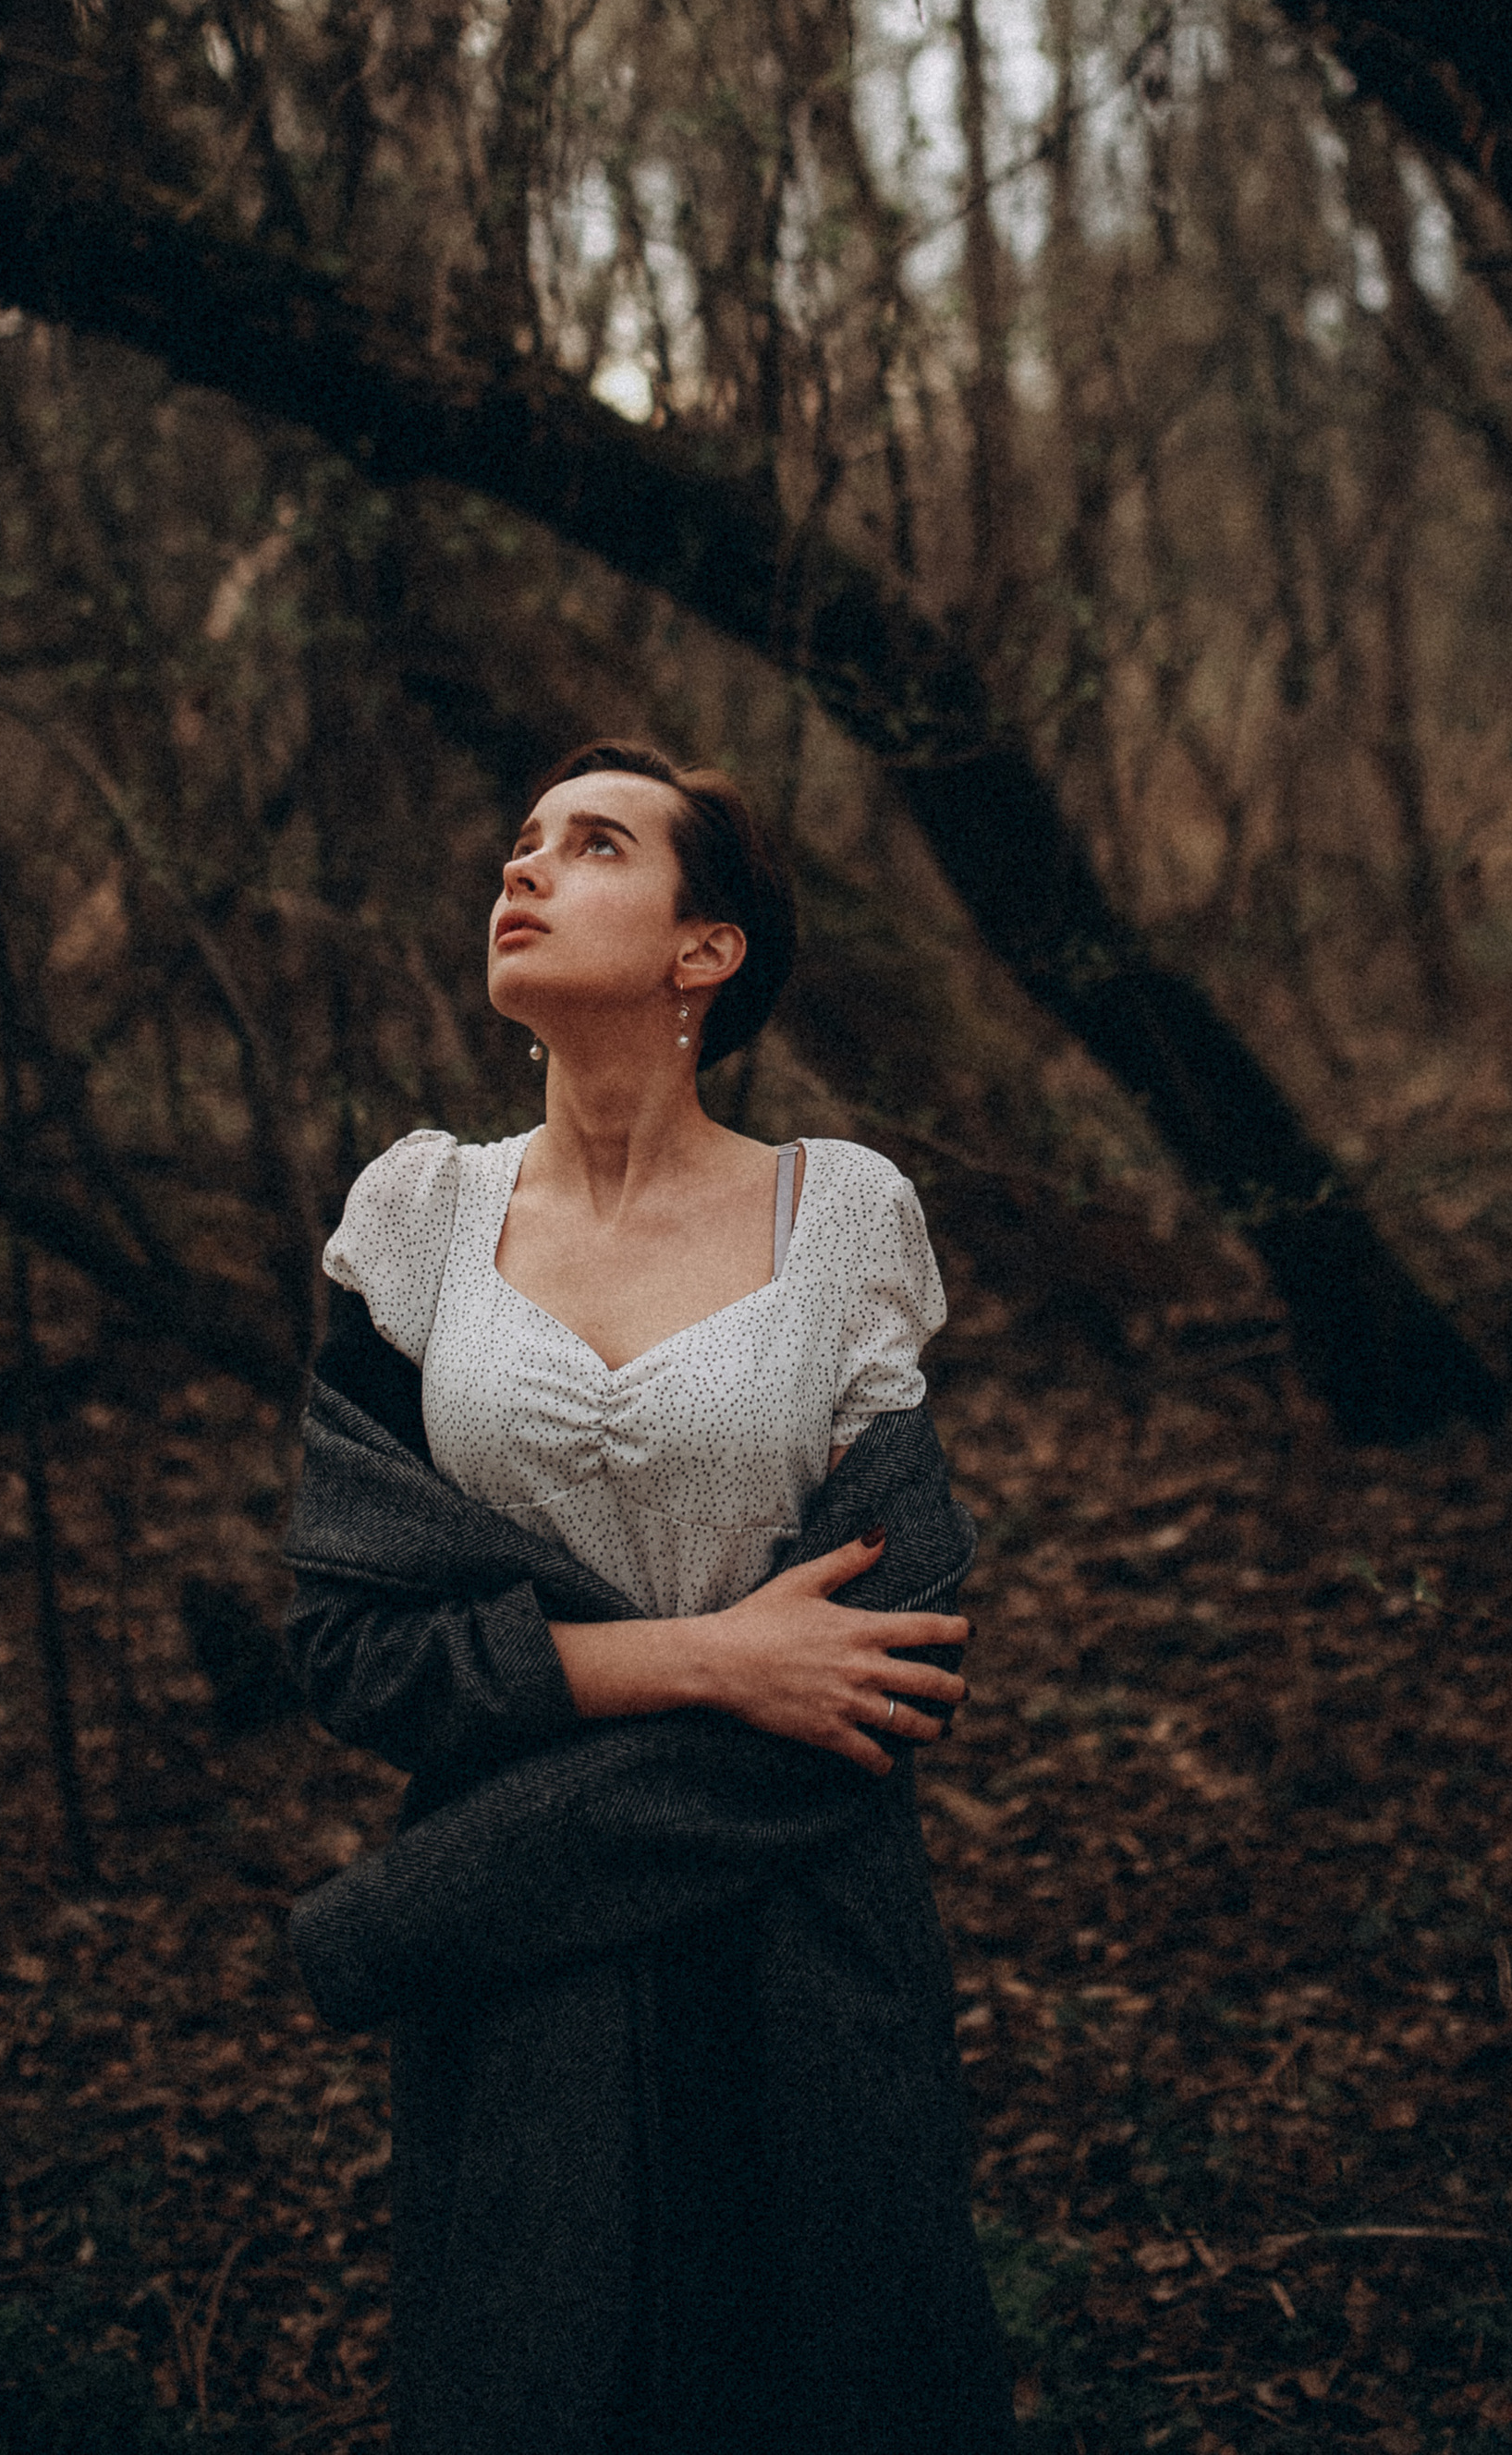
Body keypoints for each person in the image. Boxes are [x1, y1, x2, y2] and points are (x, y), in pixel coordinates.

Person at [282, 739, 1017, 2455]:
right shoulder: (417, 1220)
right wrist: (717, 1658)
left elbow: (888, 1653)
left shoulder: (839, 1217)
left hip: (802, 1939)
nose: (521, 871)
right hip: (523, 1989)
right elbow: (352, 1644)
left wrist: (409, 1908)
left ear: (709, 950)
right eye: (518, 842)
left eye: (592, 845)